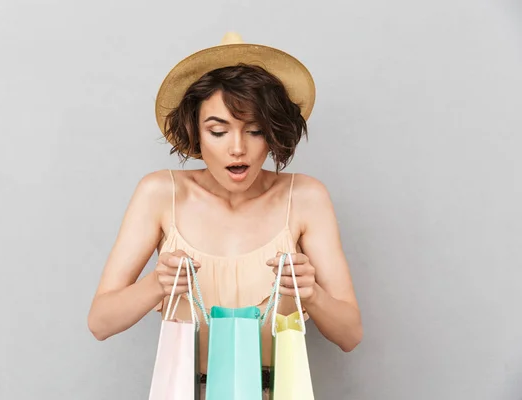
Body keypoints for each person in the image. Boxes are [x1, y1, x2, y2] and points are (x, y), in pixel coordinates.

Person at [87, 32, 362, 398]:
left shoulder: (306, 197)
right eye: (218, 131)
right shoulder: (159, 193)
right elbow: (100, 323)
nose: (237, 148)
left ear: (274, 134)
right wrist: (158, 283)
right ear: (194, 132)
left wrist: (312, 295)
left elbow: (350, 335)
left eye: (255, 130)